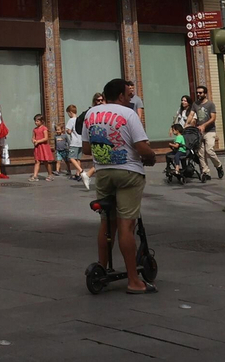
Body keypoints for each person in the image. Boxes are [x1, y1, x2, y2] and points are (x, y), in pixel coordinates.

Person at [86, 76, 157, 294]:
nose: (130, 98)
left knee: (107, 223)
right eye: (128, 95)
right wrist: (151, 157)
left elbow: (87, 150)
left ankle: (102, 268)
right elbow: (142, 148)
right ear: (119, 95)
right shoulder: (129, 114)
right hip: (128, 172)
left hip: (103, 173)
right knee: (126, 225)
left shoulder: (91, 113)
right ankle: (134, 281)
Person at [191, 85, 225, 179]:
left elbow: (213, 118)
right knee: (200, 153)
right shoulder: (195, 104)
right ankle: (206, 172)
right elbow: (192, 115)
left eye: (200, 92)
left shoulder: (210, 104)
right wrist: (188, 124)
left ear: (205, 94)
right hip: (199, 132)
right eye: (197, 92)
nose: (198, 94)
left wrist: (204, 125)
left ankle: (218, 166)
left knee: (209, 150)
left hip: (210, 131)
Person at [64, 104, 89, 188]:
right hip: (80, 141)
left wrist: (68, 131)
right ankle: (77, 174)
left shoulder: (71, 120)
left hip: (74, 142)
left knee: (71, 157)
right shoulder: (79, 120)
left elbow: (68, 130)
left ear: (70, 113)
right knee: (78, 158)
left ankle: (81, 171)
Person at [30, 114, 53, 181]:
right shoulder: (35, 129)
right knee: (37, 161)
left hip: (44, 147)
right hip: (37, 147)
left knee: (46, 161)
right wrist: (33, 140)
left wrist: (38, 141)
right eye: (35, 121)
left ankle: (50, 174)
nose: (36, 122)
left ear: (41, 121)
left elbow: (46, 138)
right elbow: (33, 137)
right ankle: (35, 176)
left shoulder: (44, 128)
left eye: (37, 121)